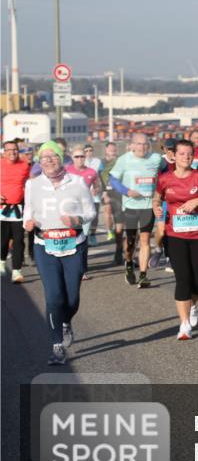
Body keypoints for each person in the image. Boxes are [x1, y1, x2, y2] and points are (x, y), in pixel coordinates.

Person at [23, 141, 96, 365]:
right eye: (44, 157)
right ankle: (57, 345)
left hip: (74, 244)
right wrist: (28, 222)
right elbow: (29, 210)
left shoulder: (77, 182)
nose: (49, 160)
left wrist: (77, 220)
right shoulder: (32, 184)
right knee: (54, 296)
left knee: (71, 298)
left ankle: (66, 322)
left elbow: (90, 211)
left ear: (60, 157)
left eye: (53, 156)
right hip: (45, 245)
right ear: (39, 161)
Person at [154, 140, 198, 340]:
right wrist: (156, 208)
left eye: (189, 154)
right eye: (182, 154)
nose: (186, 157)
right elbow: (157, 198)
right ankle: (184, 324)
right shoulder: (165, 179)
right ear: (174, 156)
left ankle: (192, 306)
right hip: (175, 236)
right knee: (183, 279)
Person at [108, 133, 162, 288]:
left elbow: (166, 172)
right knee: (131, 241)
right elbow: (112, 179)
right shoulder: (124, 159)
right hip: (131, 205)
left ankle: (143, 275)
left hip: (148, 206)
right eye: (138, 144)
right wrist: (126, 191)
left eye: (145, 144)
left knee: (145, 240)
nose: (142, 147)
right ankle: (129, 263)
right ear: (132, 145)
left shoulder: (156, 158)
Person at [66, 145, 102, 279]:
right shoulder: (66, 171)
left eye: (82, 156)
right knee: (71, 238)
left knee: (83, 239)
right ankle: (70, 266)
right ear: (72, 158)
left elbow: (97, 184)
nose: (80, 159)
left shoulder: (91, 172)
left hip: (85, 210)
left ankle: (82, 270)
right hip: (70, 209)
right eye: (77, 156)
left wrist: (96, 190)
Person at [1, 138, 32, 283]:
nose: (13, 152)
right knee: (2, 241)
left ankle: (16, 272)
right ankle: (1, 262)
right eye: (9, 150)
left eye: (15, 150)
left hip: (19, 208)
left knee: (19, 240)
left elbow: (29, 183)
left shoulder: (25, 165)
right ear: (4, 152)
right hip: (1, 208)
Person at [151, 138, 177, 270]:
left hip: (177, 201)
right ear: (164, 149)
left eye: (173, 149)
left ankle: (170, 258)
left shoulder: (181, 161)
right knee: (161, 231)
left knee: (174, 230)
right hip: (163, 200)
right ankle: (157, 249)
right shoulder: (159, 162)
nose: (171, 152)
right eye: (169, 149)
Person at [100, 142, 124, 263]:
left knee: (120, 225)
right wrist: (104, 191)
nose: (113, 151)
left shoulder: (122, 160)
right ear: (106, 150)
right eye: (110, 149)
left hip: (119, 194)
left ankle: (119, 250)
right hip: (107, 192)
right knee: (107, 211)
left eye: (114, 149)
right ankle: (109, 231)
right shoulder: (102, 163)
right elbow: (100, 176)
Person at [19, 141, 36, 263]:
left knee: (32, 229)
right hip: (20, 200)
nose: (28, 155)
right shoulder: (18, 166)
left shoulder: (37, 165)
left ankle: (32, 254)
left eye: (30, 153)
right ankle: (20, 256)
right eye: (26, 153)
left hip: (34, 200)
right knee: (19, 231)